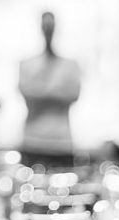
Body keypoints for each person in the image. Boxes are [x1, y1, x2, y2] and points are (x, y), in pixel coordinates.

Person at [19, 11, 81, 167]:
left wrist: (40, 90)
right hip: (33, 141)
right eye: (45, 25)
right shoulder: (26, 64)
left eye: (51, 25)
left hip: (62, 143)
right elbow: (27, 94)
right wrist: (58, 92)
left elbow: (73, 95)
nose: (48, 29)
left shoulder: (70, 65)